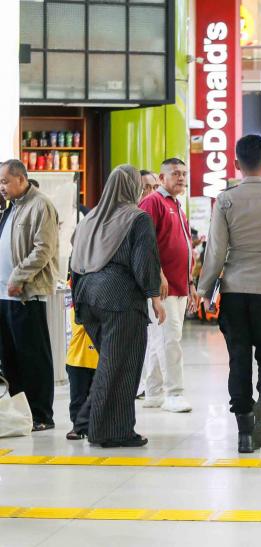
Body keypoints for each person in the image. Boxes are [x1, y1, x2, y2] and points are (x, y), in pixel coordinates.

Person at [198, 135, 261, 453]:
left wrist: (204, 290)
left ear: (237, 164)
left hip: (236, 292)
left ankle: (244, 432)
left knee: (238, 358)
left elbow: (215, 251)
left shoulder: (225, 201)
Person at [71, 165, 166, 447]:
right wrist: (155, 297)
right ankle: (113, 431)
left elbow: (74, 262)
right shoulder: (137, 219)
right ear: (132, 188)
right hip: (120, 300)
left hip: (87, 298)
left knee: (110, 365)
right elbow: (143, 261)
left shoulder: (89, 220)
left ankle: (93, 425)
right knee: (123, 367)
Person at [0, 159, 59, 431]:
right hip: (4, 296)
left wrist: (18, 277)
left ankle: (42, 415)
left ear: (21, 179)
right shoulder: (11, 208)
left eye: (4, 181)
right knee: (10, 357)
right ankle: (21, 413)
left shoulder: (40, 205)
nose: (1, 187)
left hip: (26, 295)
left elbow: (43, 250)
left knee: (33, 357)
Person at [139, 158, 195, 413]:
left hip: (179, 285)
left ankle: (153, 392)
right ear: (162, 178)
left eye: (184, 173)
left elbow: (183, 246)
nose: (181, 178)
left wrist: (191, 281)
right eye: (175, 174)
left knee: (159, 340)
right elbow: (144, 244)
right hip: (162, 287)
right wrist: (158, 274)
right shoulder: (153, 202)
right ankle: (175, 393)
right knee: (169, 339)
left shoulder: (177, 204)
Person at [65, 308, 99, 440]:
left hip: (99, 360)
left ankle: (96, 427)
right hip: (78, 361)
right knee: (78, 398)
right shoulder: (77, 309)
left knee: (98, 398)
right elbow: (86, 326)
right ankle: (78, 426)